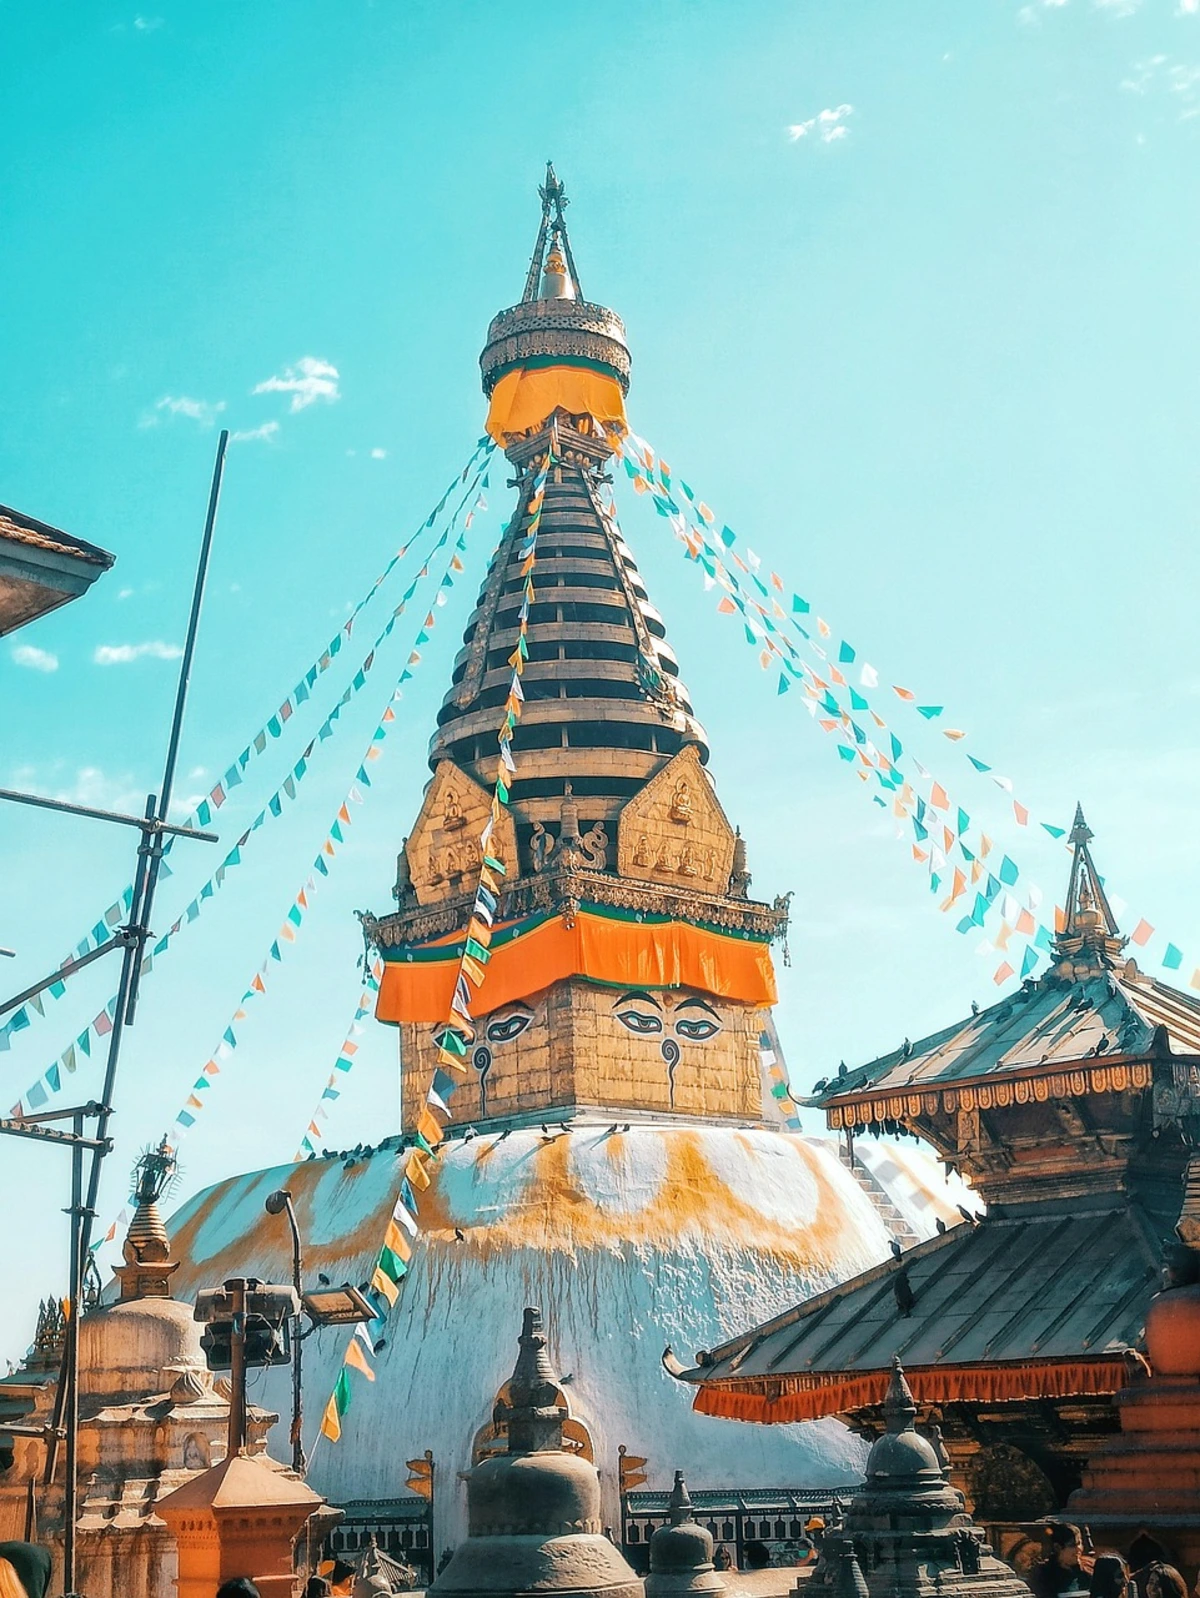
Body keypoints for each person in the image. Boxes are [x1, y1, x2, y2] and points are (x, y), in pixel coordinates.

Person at [1030, 1523, 1090, 1598]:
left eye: (1079, 1543)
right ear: (1057, 1547)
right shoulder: (1044, 1574)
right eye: (1072, 1545)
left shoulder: (1088, 1569)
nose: (1078, 1549)